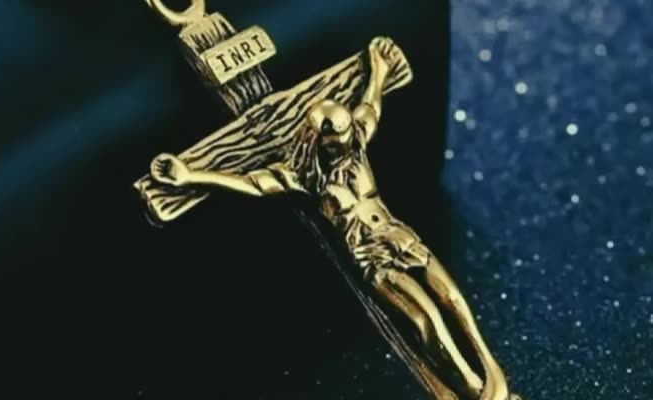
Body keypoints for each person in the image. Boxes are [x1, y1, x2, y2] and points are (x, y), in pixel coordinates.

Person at [151, 37, 516, 400]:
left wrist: (379, 67)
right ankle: (473, 388)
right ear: (315, 140)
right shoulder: (302, 175)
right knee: (426, 321)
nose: (342, 143)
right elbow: (252, 183)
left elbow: (371, 105)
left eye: (344, 134)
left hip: (398, 234)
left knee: (453, 297)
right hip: (370, 256)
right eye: (333, 140)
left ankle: (492, 374)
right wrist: (191, 175)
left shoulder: (356, 146)